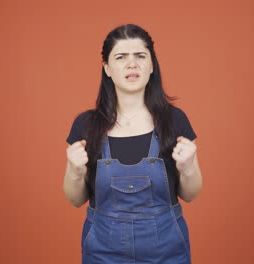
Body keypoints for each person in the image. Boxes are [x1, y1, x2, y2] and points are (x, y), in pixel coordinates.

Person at [63, 24, 202, 264]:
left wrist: (188, 168)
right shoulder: (86, 125)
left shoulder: (174, 120)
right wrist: (75, 172)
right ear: (107, 68)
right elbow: (75, 199)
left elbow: (190, 194)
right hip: (102, 253)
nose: (132, 64)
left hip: (167, 253)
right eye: (121, 57)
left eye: (140, 56)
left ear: (151, 66)